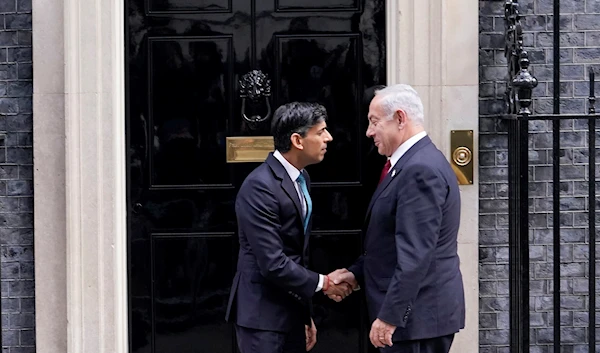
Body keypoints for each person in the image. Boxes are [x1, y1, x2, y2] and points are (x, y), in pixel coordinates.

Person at [330, 84, 465, 353]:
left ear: (400, 119)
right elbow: (390, 241)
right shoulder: (408, 164)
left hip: (416, 320)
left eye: (374, 122)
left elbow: (416, 254)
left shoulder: (420, 170)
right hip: (413, 319)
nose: (369, 132)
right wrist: (356, 273)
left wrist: (390, 316)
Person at [225, 102, 352, 353]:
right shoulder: (259, 187)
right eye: (320, 132)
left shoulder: (301, 177)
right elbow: (273, 262)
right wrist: (325, 283)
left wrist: (305, 316)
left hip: (292, 312)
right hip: (263, 318)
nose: (329, 137)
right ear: (298, 140)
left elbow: (297, 255)